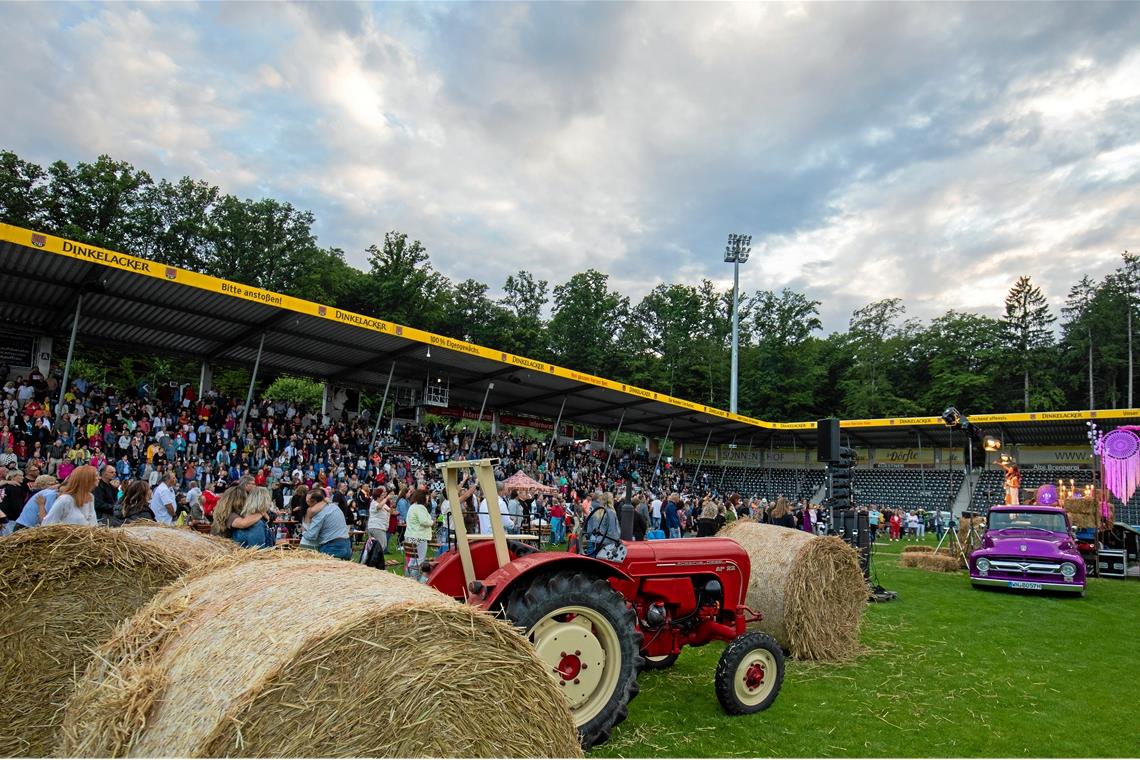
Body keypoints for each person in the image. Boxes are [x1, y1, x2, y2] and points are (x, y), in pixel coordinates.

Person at [300, 487, 351, 559]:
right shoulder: (334, 506)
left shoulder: (320, 513)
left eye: (308, 502)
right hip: (347, 544)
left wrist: (303, 531)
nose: (307, 504)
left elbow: (312, 536)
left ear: (314, 502)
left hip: (332, 547)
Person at [404, 488, 435, 581]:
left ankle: (407, 578)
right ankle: (414, 580)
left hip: (410, 536)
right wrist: (432, 522)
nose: (428, 499)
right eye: (427, 498)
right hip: (419, 537)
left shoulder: (412, 506)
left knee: (412, 560)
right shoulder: (420, 508)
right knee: (419, 560)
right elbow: (424, 521)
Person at [367, 486, 392, 551]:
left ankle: (371, 559)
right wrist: (386, 498)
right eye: (382, 495)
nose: (383, 496)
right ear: (378, 496)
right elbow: (379, 507)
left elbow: (390, 510)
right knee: (382, 546)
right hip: (377, 527)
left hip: (377, 527)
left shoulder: (382, 504)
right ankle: (376, 560)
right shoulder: (374, 503)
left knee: (374, 546)